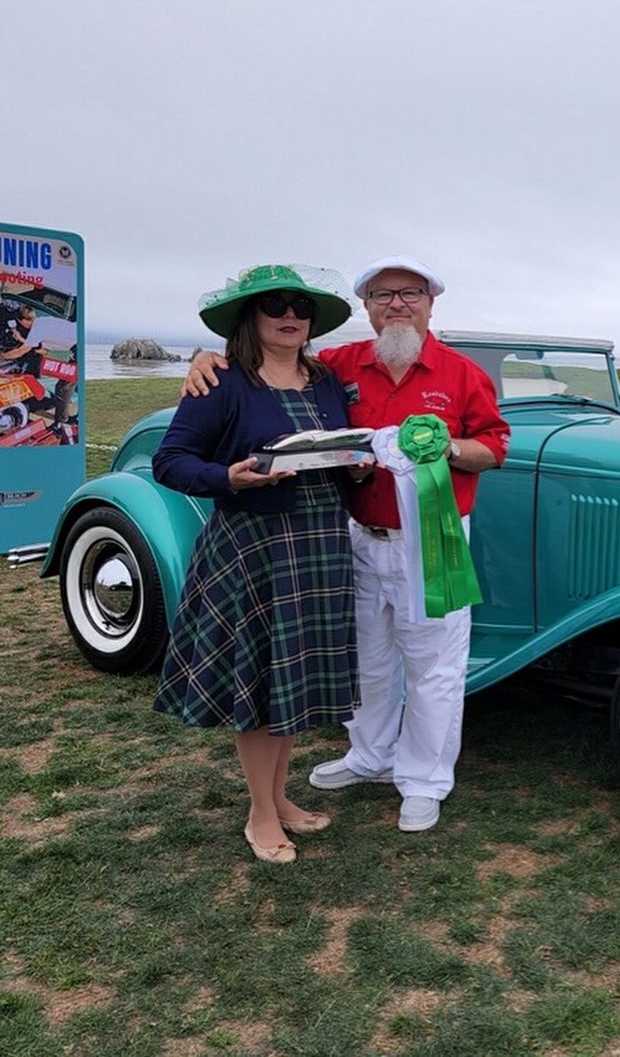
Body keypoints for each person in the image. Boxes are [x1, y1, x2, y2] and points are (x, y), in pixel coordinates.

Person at [183, 256, 510, 833]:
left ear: (431, 303)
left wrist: (446, 450)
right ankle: (369, 755)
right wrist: (205, 358)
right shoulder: (337, 367)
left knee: (433, 665)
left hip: (430, 540)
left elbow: (494, 447)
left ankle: (423, 780)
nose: (398, 305)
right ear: (367, 308)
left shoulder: (461, 374)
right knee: (368, 659)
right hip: (352, 537)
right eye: (383, 296)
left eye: (410, 294)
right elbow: (265, 365)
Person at [155, 264, 362, 864]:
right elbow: (171, 461)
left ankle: (282, 798)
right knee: (261, 682)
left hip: (320, 543)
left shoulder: (324, 381)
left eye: (301, 306)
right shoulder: (221, 382)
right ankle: (261, 813)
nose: (290, 315)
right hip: (255, 547)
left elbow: (335, 445)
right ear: (252, 317)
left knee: (291, 680)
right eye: (275, 305)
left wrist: (353, 465)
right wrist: (227, 477)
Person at [0, 304, 43, 375]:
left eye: (33, 320)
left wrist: (2, 355)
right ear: (21, 320)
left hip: (28, 362)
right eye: (30, 321)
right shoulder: (7, 317)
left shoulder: (36, 331)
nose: (32, 323)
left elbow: (20, 352)